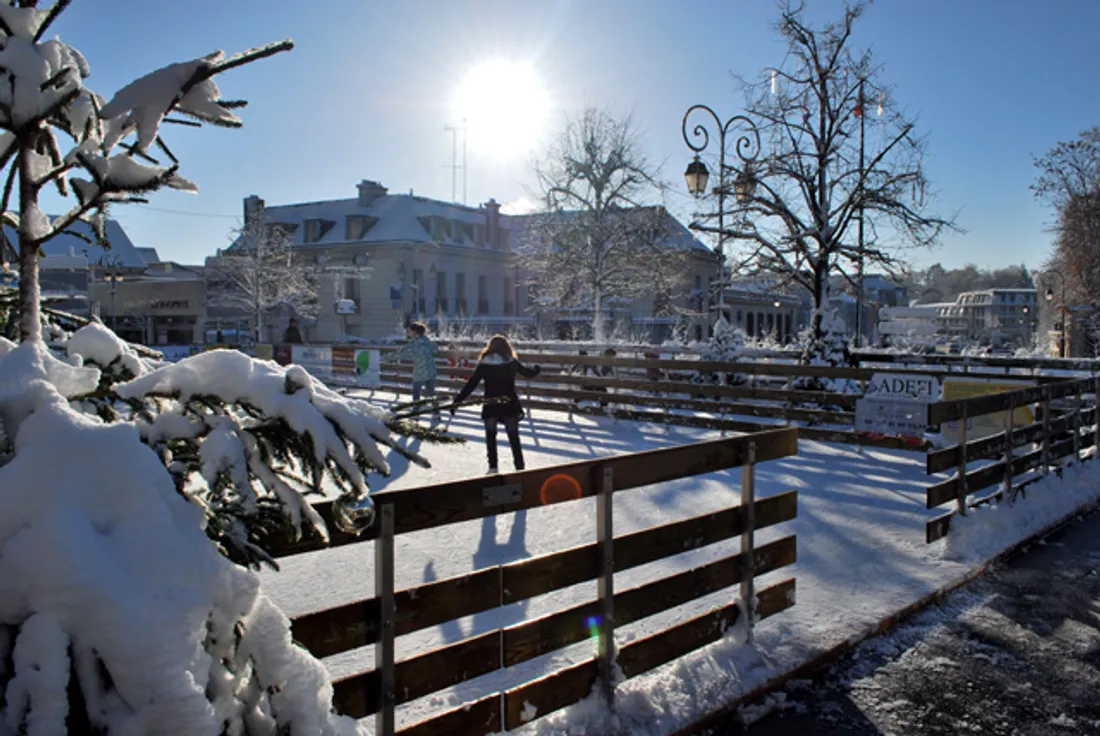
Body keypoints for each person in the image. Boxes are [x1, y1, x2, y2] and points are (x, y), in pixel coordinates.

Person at [450, 334, 540, 474]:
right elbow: (529, 374)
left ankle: (493, 466)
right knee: (514, 437)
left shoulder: (485, 364)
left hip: (491, 403)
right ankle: (520, 467)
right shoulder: (511, 362)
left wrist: (458, 401)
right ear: (506, 348)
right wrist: (536, 369)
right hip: (509, 403)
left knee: (490, 436)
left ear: (490, 348)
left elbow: (471, 384)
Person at [392, 322, 439, 404]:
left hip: (419, 373)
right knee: (432, 395)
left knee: (416, 393)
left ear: (414, 332)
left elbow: (402, 353)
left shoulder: (413, 343)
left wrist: (387, 357)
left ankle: (416, 412)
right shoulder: (428, 341)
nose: (408, 333)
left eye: (409, 331)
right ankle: (436, 414)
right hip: (431, 372)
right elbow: (435, 348)